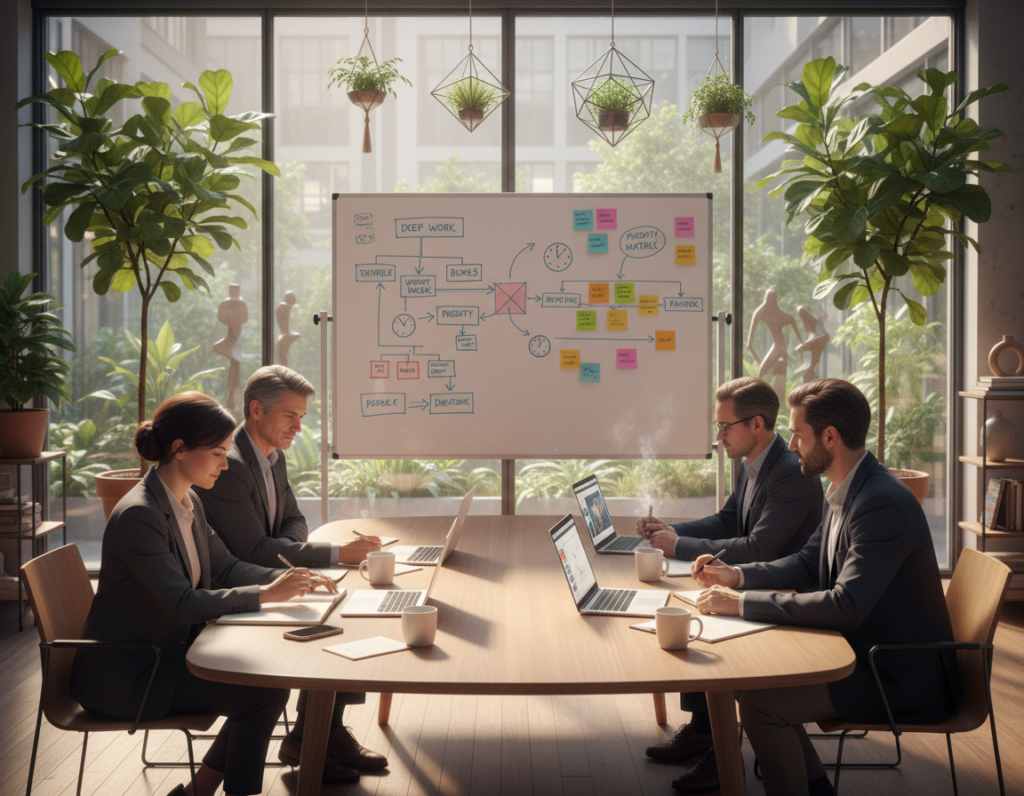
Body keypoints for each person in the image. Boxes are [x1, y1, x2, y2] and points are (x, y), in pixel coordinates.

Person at [692, 378, 960, 796]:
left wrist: (741, 603)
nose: (792, 444)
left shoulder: (880, 503)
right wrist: (736, 575)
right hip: (864, 653)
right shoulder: (848, 488)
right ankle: (816, 788)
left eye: (798, 433)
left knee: (763, 707)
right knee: (748, 682)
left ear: (830, 437)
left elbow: (845, 604)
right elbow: (805, 562)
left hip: (896, 675)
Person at [70, 392, 335, 796]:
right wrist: (267, 594)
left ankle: (199, 791)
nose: (225, 464)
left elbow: (225, 567)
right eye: (216, 453)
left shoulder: (186, 498)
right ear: (179, 449)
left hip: (166, 655)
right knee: (263, 696)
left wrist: (295, 579)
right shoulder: (140, 515)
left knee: (269, 687)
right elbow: (181, 604)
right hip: (131, 675)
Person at [194, 365, 388, 783]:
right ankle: (314, 736)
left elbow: (294, 520)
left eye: (303, 416)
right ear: (256, 410)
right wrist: (336, 552)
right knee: (337, 616)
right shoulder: (228, 465)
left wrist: (285, 549)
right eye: (290, 416)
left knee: (345, 613)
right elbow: (252, 550)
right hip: (237, 589)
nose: (300, 427)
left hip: (265, 574)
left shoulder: (272, 455)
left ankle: (318, 733)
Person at [637, 376, 823, 793]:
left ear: (756, 424)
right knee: (690, 609)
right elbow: (727, 520)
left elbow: (762, 545)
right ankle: (706, 730)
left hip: (783, 591)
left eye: (725, 427)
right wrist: (669, 532)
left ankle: (720, 749)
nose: (718, 436)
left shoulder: (791, 472)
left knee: (696, 617)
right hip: (754, 580)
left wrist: (680, 544)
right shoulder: (754, 462)